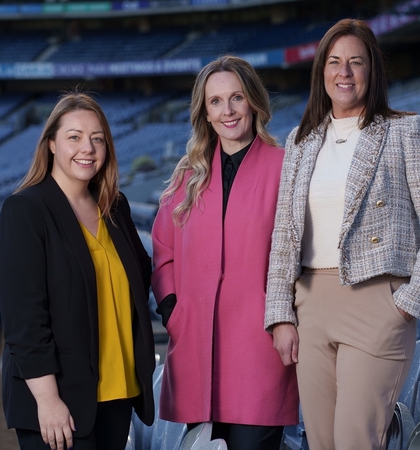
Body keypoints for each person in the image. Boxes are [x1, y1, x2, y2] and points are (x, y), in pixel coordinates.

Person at [265, 19, 420, 450]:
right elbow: (284, 234)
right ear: (321, 70)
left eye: (356, 62)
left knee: (355, 440)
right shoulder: (300, 140)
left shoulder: (406, 131)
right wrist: (280, 315)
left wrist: (406, 303)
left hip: (376, 305)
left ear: (372, 70)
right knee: (321, 442)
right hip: (310, 306)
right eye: (335, 62)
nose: (345, 72)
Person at [151, 55, 299, 450]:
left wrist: (283, 317)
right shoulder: (187, 176)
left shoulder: (286, 168)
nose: (227, 111)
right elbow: (163, 251)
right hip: (196, 346)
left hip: (259, 349)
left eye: (236, 98)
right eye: (215, 101)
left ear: (254, 101)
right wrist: (173, 312)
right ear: (205, 112)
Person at [0, 91, 155, 450]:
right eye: (74, 137)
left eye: (98, 139)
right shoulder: (25, 210)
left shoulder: (114, 206)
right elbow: (24, 320)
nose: (88, 148)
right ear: (51, 144)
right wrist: (47, 400)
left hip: (117, 392)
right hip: (60, 401)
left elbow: (140, 277)